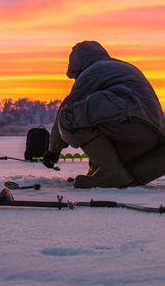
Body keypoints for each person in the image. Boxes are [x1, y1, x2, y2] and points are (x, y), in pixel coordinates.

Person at [43, 41, 165, 188]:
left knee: (69, 117)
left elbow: (65, 112)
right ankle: (119, 174)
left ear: (78, 64)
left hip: (128, 123)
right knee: (126, 173)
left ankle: (111, 172)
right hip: (153, 139)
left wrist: (53, 151)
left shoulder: (93, 71)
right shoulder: (125, 67)